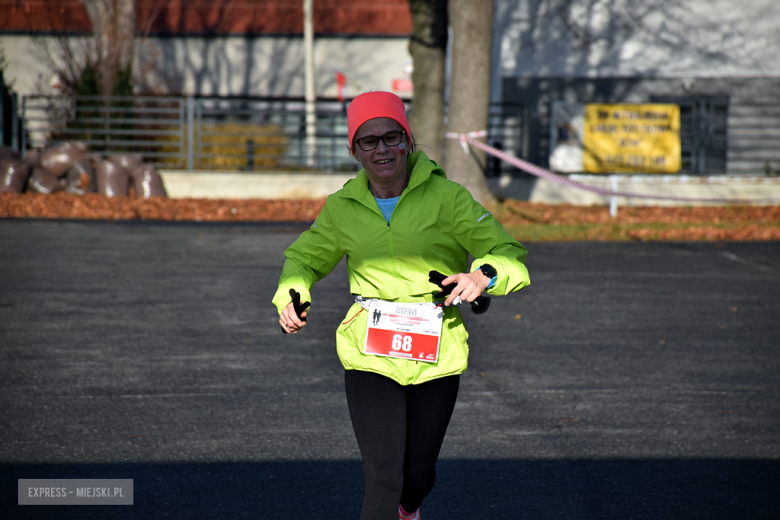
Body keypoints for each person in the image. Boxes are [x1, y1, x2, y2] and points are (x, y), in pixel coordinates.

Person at [273, 91, 530, 520]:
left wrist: (481, 275)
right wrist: (292, 295)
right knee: (384, 476)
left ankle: (408, 511)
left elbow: (506, 252)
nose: (382, 150)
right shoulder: (342, 207)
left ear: (408, 141)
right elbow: (303, 259)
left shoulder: (448, 198)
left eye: (391, 138)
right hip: (369, 352)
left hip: (436, 350)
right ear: (354, 150)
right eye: (369, 141)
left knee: (417, 478)